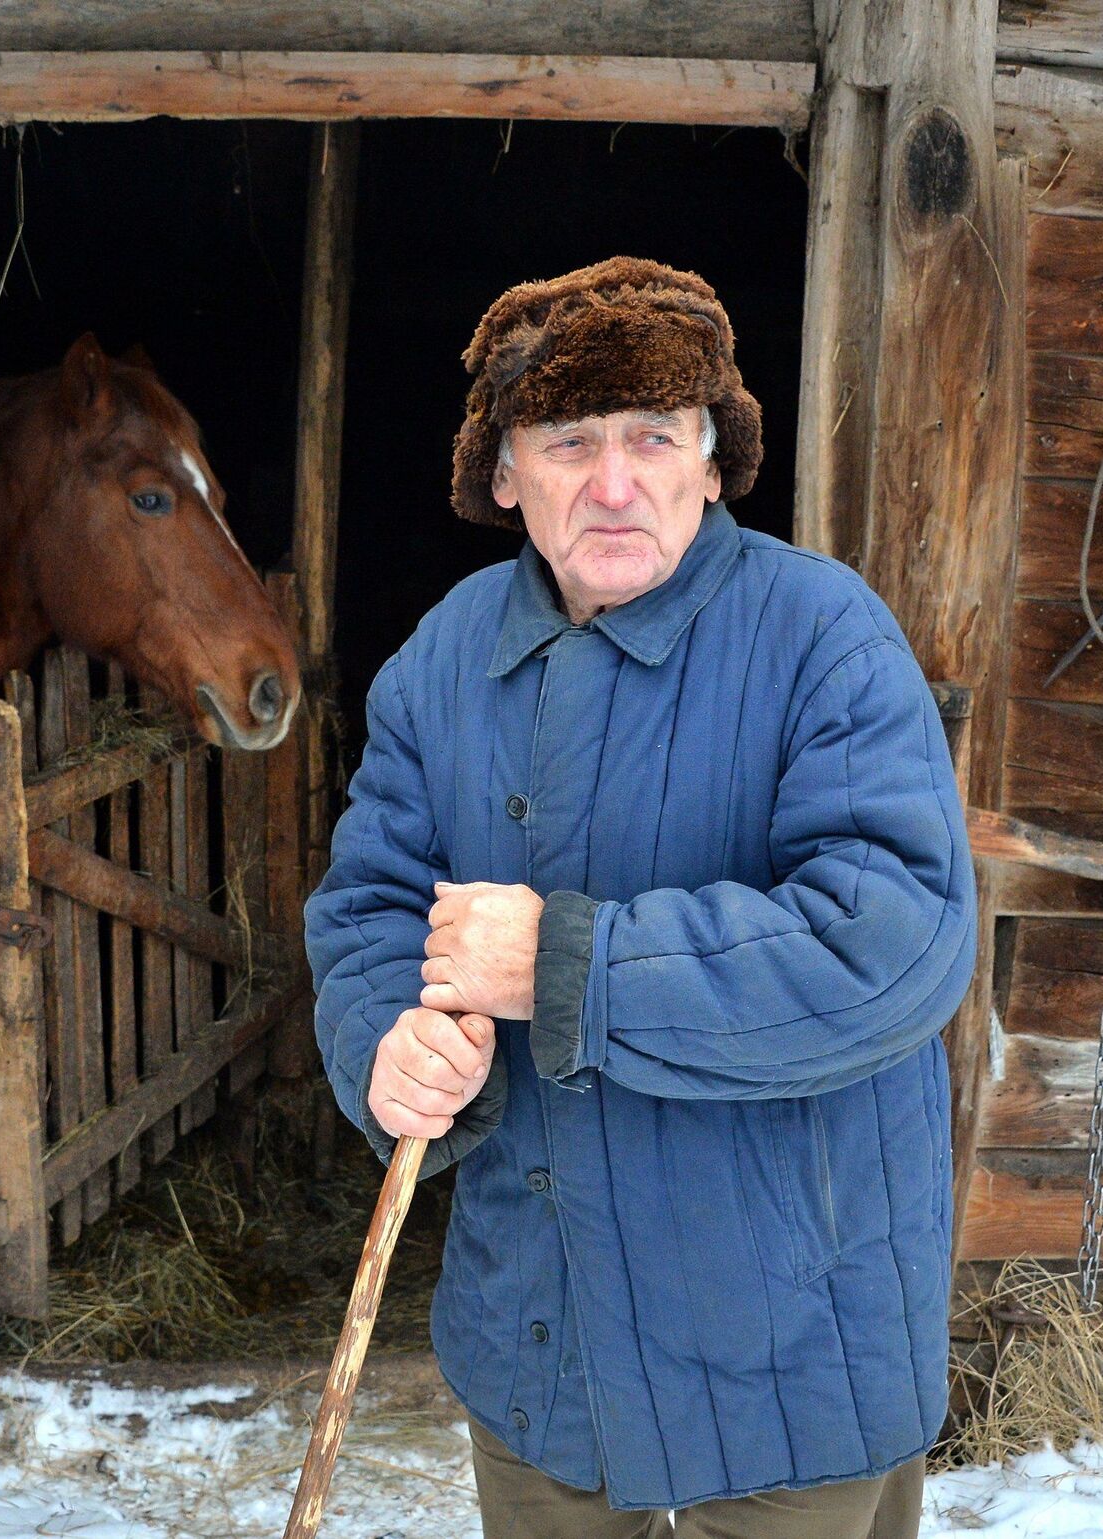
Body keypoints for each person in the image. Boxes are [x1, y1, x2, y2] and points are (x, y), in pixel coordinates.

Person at [303, 257, 976, 1538]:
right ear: (502, 476)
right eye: (566, 442)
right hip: (538, 1348)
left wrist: (560, 966)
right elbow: (370, 909)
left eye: (652, 438)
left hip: (792, 1349)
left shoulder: (822, 637)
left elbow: (891, 945)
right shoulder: (441, 661)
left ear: (712, 462)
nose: (613, 484)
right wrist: (382, 1045)